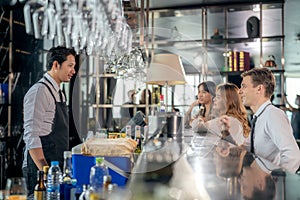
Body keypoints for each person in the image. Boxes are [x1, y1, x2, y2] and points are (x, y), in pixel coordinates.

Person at [22, 46, 76, 195]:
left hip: (54, 167)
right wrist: (45, 171)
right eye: (70, 66)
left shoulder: (59, 92)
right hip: (41, 170)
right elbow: (31, 136)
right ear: (56, 65)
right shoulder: (40, 92)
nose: (73, 71)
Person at [239, 67, 300, 173]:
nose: (240, 91)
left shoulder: (273, 115)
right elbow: (248, 146)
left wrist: (275, 179)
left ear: (259, 89)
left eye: (244, 86)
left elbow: (292, 157)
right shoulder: (259, 116)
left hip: (268, 183)